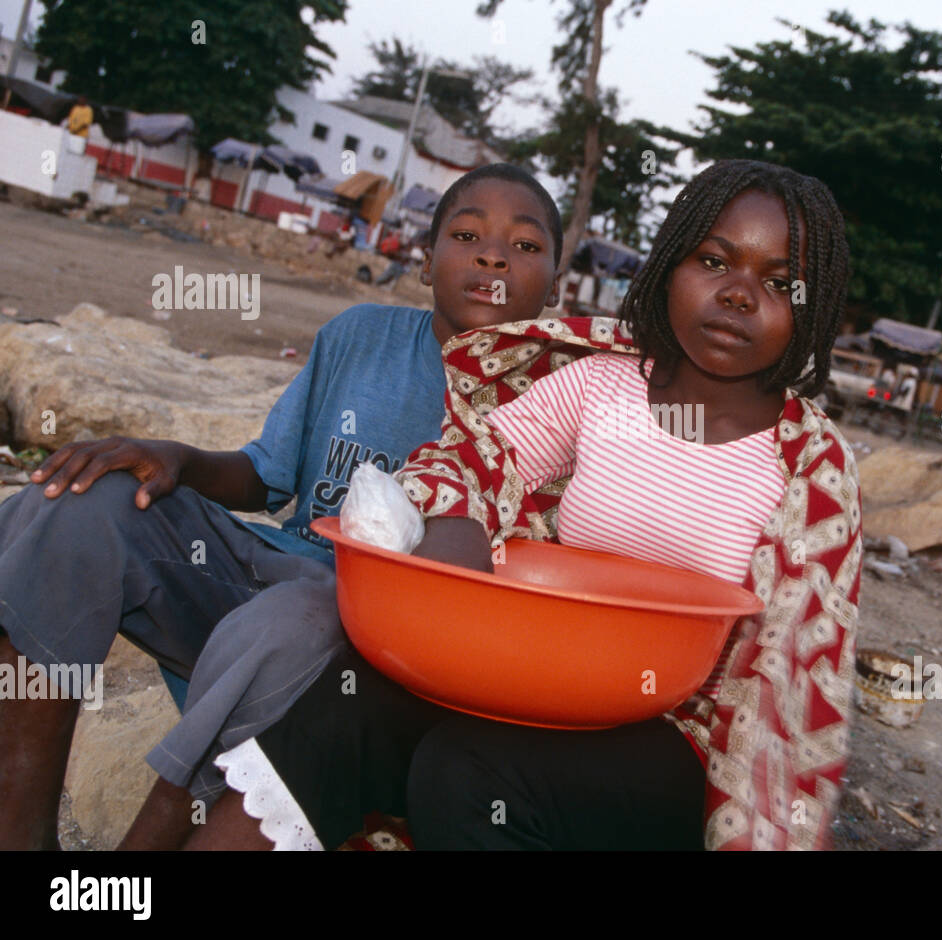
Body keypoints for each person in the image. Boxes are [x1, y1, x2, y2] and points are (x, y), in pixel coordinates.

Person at [183, 159, 863, 852]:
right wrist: (452, 527)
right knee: (348, 702)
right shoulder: (601, 386)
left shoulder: (812, 465)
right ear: (669, 267)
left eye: (779, 282)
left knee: (469, 772)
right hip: (538, 678)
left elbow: (793, 681)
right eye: (713, 260)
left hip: (672, 734)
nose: (740, 294)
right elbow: (471, 458)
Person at [0, 163, 564, 851]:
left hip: (370, 639)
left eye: (525, 246)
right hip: (266, 567)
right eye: (467, 233)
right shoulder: (360, 337)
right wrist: (176, 457)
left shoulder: (558, 401)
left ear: (557, 283)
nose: (493, 254)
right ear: (424, 262)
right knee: (77, 501)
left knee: (295, 619)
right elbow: (263, 477)